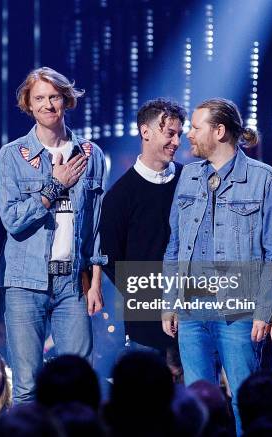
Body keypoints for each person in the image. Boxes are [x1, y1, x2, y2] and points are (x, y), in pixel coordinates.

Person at [162, 98, 272, 433]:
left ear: (219, 131)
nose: (188, 134)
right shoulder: (188, 176)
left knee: (244, 399)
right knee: (197, 401)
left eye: (195, 127)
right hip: (191, 308)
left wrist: (265, 309)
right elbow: (174, 244)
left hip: (239, 311)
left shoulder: (264, 179)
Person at [0, 67, 106, 403]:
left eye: (54, 97)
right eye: (39, 98)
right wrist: (54, 185)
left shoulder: (91, 155)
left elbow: (96, 226)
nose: (47, 105)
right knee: (27, 387)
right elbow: (12, 220)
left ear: (66, 100)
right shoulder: (12, 155)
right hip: (25, 282)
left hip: (72, 283)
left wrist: (96, 281)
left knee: (80, 385)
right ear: (28, 104)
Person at [100, 97, 186, 354]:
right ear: (145, 132)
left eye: (180, 134)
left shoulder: (190, 181)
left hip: (194, 316)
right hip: (145, 324)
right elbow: (110, 259)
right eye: (170, 133)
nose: (177, 142)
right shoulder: (119, 195)